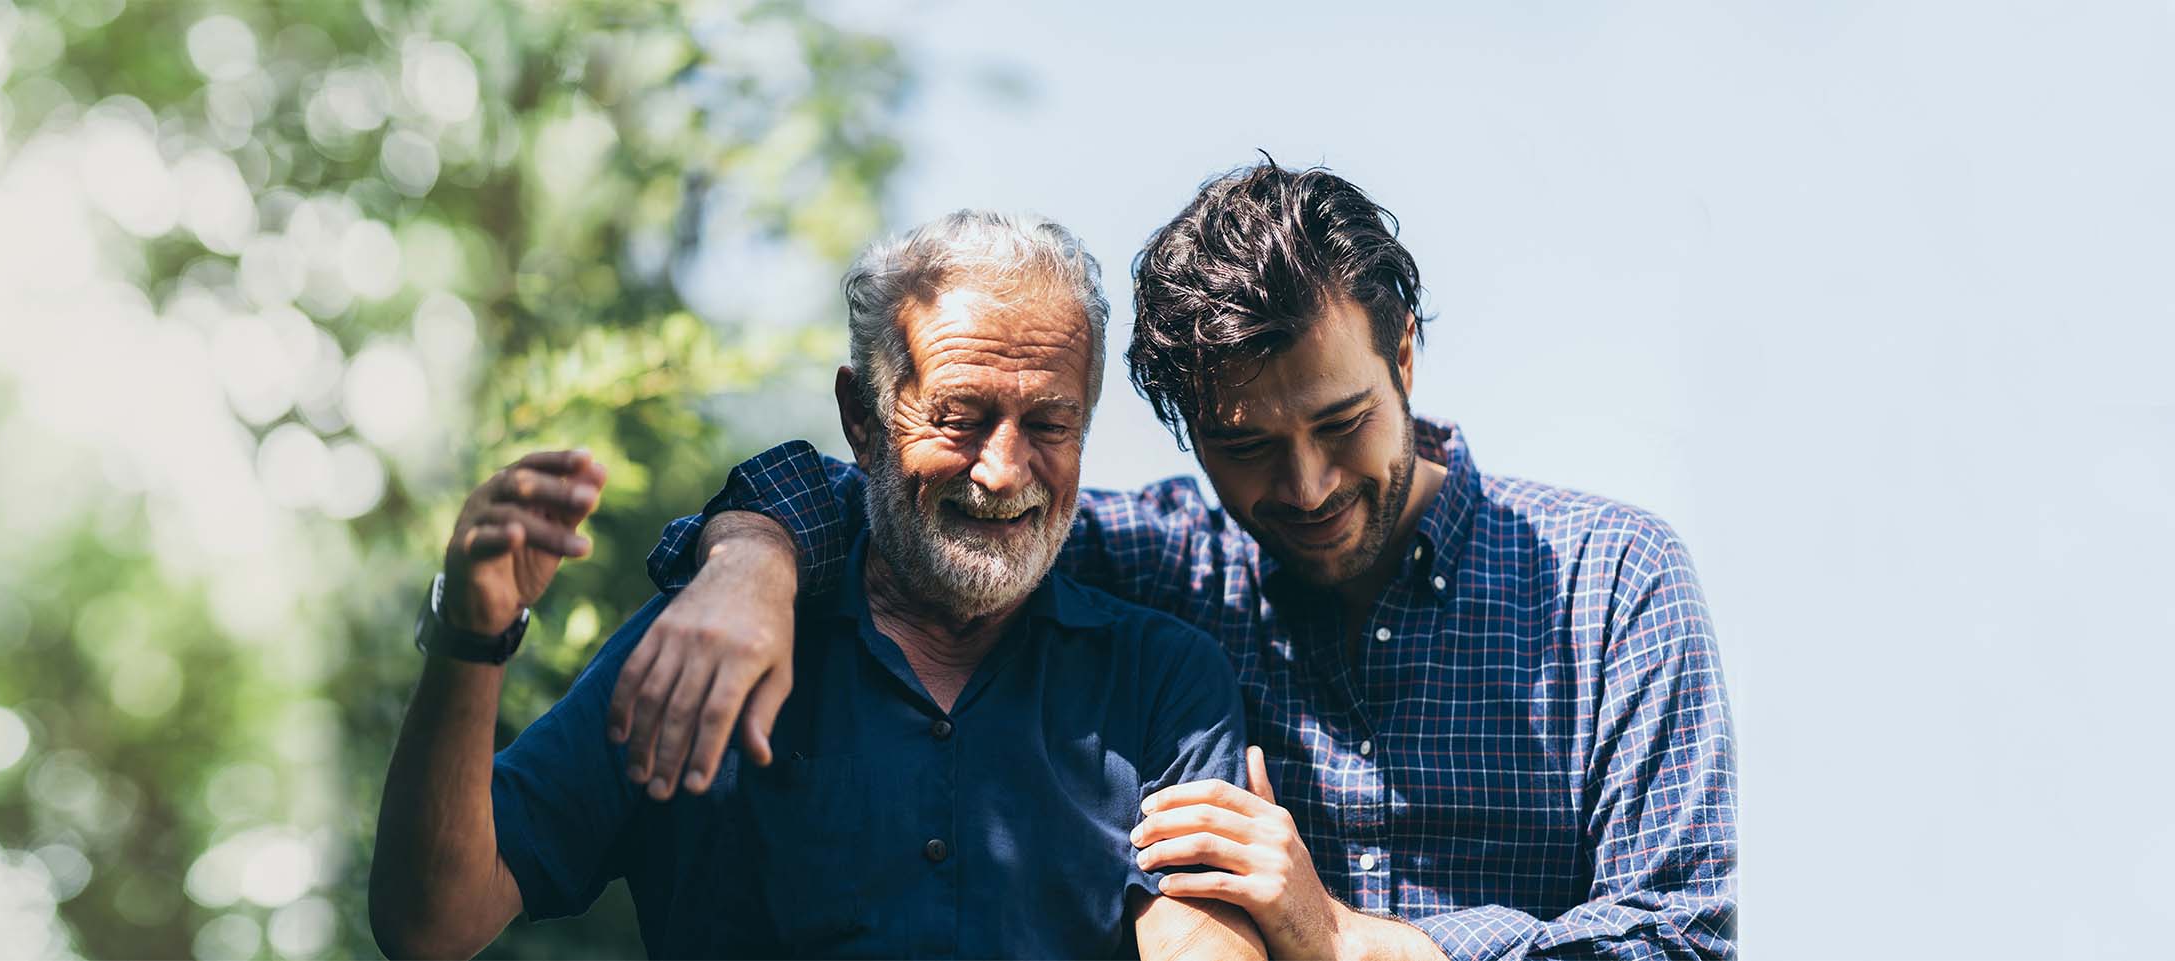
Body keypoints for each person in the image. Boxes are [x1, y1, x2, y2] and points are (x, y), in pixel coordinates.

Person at [618, 160, 1738, 960]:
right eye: (1246, 446)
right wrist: (748, 559)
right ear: (1185, 428)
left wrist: (1344, 940)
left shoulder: (1614, 583)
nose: (1303, 487)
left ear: (1405, 352)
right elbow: (911, 498)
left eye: (1341, 422)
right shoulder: (1157, 567)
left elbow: (1678, 941)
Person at [369, 211, 1264, 959]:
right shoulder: (704, 640)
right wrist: (472, 632)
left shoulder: (1164, 680)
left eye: (1050, 423)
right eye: (960, 418)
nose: (1002, 470)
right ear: (862, 419)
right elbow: (432, 921)